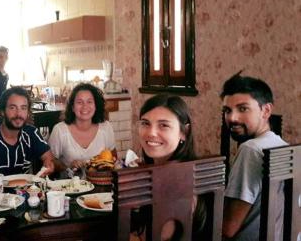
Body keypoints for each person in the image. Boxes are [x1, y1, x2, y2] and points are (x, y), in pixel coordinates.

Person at [221, 73, 288, 241]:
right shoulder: (283, 146)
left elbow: (227, 228)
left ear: (266, 111)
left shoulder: (252, 150)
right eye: (227, 110)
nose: (232, 118)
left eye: (243, 109)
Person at [130, 94, 206, 241]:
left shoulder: (172, 183)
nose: (151, 133)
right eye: (145, 123)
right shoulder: (186, 169)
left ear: (184, 132)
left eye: (163, 125)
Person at [48, 83, 116, 176]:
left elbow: (113, 157)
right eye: (79, 102)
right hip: (69, 186)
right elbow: (51, 161)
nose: (85, 106)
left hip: (101, 184)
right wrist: (68, 166)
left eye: (89, 102)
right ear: (72, 107)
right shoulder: (60, 130)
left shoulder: (106, 127)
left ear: (96, 106)